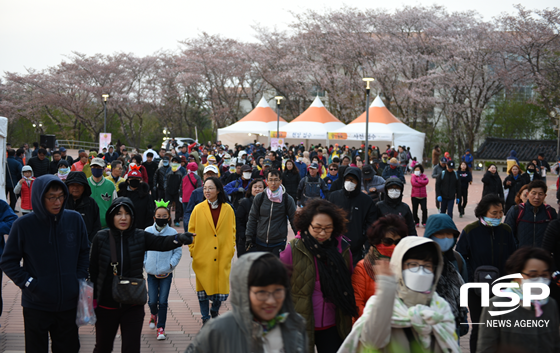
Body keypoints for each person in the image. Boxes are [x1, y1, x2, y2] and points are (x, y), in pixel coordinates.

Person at [89, 197, 193, 352]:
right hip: (106, 305)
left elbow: (161, 243)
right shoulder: (101, 237)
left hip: (133, 304)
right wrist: (94, 301)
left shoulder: (140, 235)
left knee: (131, 348)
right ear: (111, 215)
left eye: (127, 214)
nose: (123, 218)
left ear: (133, 216)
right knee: (103, 347)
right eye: (118, 213)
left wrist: (179, 238)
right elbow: (93, 271)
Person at [0, 175, 90, 353]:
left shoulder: (74, 220)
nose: (57, 202)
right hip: (36, 304)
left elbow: (84, 251)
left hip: (69, 304)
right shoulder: (23, 225)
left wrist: (78, 278)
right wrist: (29, 284)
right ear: (39, 198)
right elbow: (8, 261)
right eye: (51, 197)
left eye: (61, 196)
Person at [339, 237, 461, 353]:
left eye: (427, 266)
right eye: (413, 265)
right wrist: (386, 292)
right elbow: (372, 340)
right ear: (399, 267)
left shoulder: (441, 307)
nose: (421, 271)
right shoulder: (380, 303)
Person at [186, 252, 307, 352]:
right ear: (243, 292)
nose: (271, 301)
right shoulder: (218, 330)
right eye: (261, 292)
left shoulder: (295, 324)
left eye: (278, 291)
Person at [280, 199, 356, 353]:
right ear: (307, 225)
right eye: (317, 228)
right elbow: (281, 286)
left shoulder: (342, 248)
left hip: (334, 324)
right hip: (302, 323)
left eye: (328, 228)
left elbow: (350, 281)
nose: (322, 233)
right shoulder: (294, 249)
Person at [455, 194, 517, 353]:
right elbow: (461, 256)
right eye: (494, 213)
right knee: (479, 326)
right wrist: (471, 277)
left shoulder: (506, 230)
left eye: (500, 212)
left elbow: (514, 256)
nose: (498, 216)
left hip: (502, 290)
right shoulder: (471, 230)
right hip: (476, 290)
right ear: (483, 212)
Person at [477, 247, 560, 353]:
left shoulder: (550, 304)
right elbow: (486, 347)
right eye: (533, 275)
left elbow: (556, 345)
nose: (540, 280)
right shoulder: (497, 305)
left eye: (544, 275)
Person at [187, 177, 236, 324]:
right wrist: (193, 251)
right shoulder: (198, 209)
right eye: (205, 188)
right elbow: (191, 231)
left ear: (218, 190)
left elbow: (232, 232)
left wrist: (230, 251)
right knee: (202, 290)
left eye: (211, 188)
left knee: (220, 293)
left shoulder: (228, 209)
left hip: (222, 255)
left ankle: (214, 309)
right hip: (203, 255)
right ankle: (205, 319)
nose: (207, 191)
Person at [352, 214, 407, 319]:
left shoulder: (405, 266)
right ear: (376, 242)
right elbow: (357, 304)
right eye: (387, 242)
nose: (393, 246)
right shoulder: (363, 267)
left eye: (397, 242)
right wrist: (378, 322)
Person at [423, 214, 468, 337]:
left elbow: (463, 291)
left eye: (449, 235)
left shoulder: (457, 259)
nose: (446, 238)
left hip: (453, 324)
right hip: (427, 325)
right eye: (441, 234)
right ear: (430, 235)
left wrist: (463, 317)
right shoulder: (421, 260)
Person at [144, 200, 182, 340]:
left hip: (166, 273)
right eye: (158, 216)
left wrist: (171, 265)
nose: (161, 218)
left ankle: (161, 328)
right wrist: (146, 263)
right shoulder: (147, 231)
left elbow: (177, 252)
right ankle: (153, 314)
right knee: (153, 300)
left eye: (164, 216)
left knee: (163, 301)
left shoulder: (173, 233)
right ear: (154, 217)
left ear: (169, 217)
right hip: (152, 273)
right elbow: (143, 250)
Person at [328, 167, 377, 264]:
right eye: (347, 179)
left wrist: (368, 247)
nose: (349, 182)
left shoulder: (366, 201)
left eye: (352, 180)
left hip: (356, 250)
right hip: (335, 247)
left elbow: (371, 225)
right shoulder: (334, 197)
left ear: (358, 181)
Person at [245, 170, 297, 256]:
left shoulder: (287, 199)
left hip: (278, 242)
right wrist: (249, 236)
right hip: (260, 240)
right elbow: (252, 217)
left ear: (280, 181)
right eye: (270, 180)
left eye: (276, 180)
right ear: (267, 181)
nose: (273, 183)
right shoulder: (260, 197)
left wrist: (298, 237)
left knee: (275, 268)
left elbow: (293, 219)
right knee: (262, 267)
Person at [504, 180, 557, 247]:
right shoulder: (516, 211)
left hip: (542, 255)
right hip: (521, 255)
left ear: (545, 195)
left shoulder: (550, 212)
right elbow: (508, 233)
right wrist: (517, 249)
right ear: (528, 194)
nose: (537, 197)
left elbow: (556, 236)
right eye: (533, 193)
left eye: (540, 194)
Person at [65, 171, 102, 242]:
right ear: (67, 186)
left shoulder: (91, 203)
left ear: (84, 187)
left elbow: (96, 227)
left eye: (79, 185)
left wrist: (89, 244)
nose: (75, 188)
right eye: (72, 184)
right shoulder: (61, 202)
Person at [235, 179, 265, 258]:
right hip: (247, 241)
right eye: (255, 187)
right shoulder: (245, 203)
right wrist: (244, 235)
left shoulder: (268, 204)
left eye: (260, 187)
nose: (257, 189)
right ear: (251, 189)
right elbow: (238, 221)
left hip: (263, 241)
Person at [88, 157, 118, 229]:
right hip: (88, 226)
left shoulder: (110, 185)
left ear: (104, 169)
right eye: (94, 167)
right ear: (91, 168)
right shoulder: (85, 183)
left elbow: (115, 206)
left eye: (99, 167)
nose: (96, 169)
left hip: (105, 227)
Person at [165, 156, 186, 227]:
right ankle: (168, 220)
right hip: (168, 191)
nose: (174, 163)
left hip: (178, 191)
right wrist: (165, 187)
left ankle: (177, 220)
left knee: (178, 207)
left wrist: (181, 190)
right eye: (173, 161)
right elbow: (165, 178)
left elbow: (184, 180)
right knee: (167, 206)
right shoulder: (169, 169)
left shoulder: (182, 170)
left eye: (176, 162)